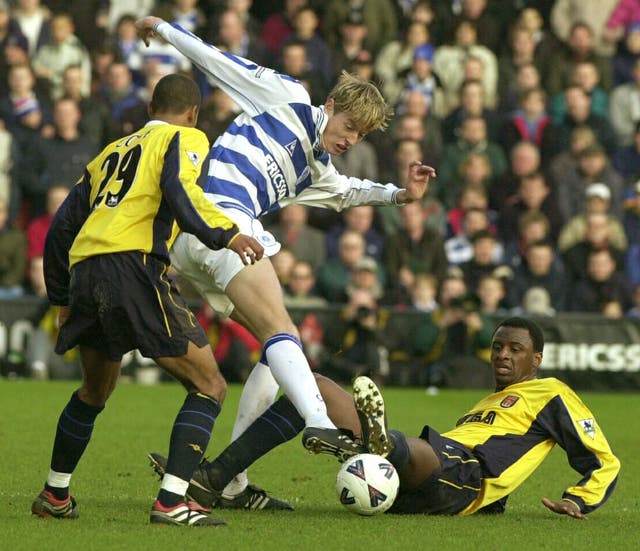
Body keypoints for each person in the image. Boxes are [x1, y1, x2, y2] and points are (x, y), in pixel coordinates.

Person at [135, 15, 436, 506]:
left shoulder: (318, 169)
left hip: (200, 245)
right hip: (219, 220)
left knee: (278, 356)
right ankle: (318, 422)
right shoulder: (288, 98)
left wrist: (400, 195)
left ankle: (229, 480)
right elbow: (220, 63)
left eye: (361, 136)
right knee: (284, 334)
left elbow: (347, 193)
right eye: (348, 126)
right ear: (331, 105)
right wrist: (166, 30)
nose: (350, 139)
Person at [30, 72, 266, 526]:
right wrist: (227, 234)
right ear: (193, 112)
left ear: (149, 108)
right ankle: (172, 501)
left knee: (95, 390)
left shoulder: (110, 152)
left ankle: (55, 493)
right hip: (131, 268)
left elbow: (62, 227)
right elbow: (182, 191)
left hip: (85, 269)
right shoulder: (186, 136)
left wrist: (62, 297)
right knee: (209, 385)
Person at [149, 317, 620, 518]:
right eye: (498, 346)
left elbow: (602, 459)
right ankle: (216, 477)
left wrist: (579, 499)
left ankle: (378, 442)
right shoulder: (484, 406)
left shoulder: (550, 392)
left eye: (515, 350)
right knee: (306, 384)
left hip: (460, 473)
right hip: (435, 472)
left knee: (438, 453)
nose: (502, 355)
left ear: (536, 359)